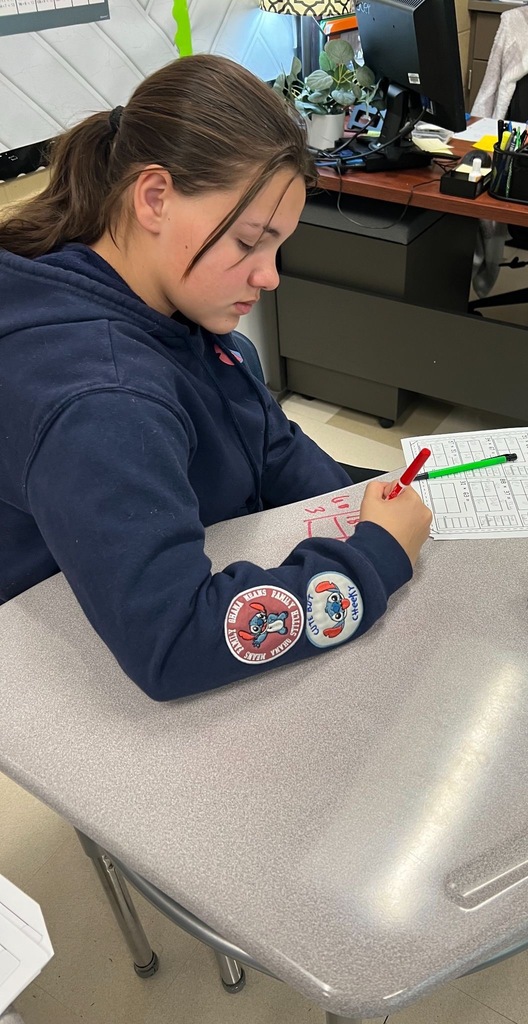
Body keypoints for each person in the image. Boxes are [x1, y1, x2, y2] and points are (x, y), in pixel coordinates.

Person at [0, 54, 432, 701]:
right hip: (82, 665)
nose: (269, 276)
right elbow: (175, 643)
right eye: (248, 242)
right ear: (154, 198)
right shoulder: (104, 402)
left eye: (277, 246)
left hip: (183, 558)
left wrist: (347, 502)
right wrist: (373, 558)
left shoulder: (164, 296)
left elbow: (270, 442)